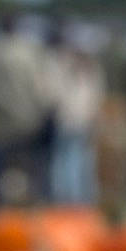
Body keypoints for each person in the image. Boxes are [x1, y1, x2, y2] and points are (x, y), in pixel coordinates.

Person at [0, 12, 51, 205]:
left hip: (2, 121)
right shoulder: (29, 52)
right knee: (28, 167)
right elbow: (39, 88)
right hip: (27, 119)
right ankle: (29, 205)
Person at [45, 22, 105, 206]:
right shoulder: (65, 66)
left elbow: (96, 96)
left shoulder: (84, 69)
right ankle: (66, 202)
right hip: (68, 121)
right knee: (68, 163)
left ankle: (78, 202)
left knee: (78, 162)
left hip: (80, 121)